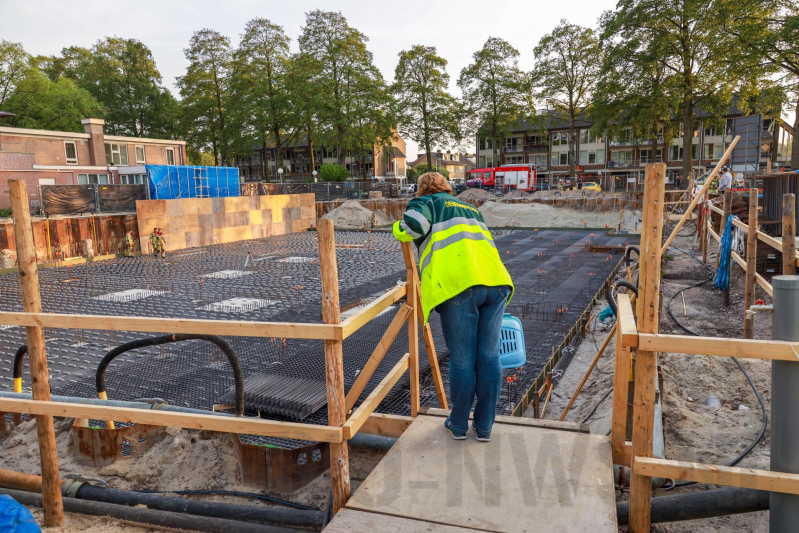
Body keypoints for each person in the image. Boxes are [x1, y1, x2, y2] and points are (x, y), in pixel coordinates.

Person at [393, 172, 514, 442]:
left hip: (460, 286)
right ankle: (484, 428)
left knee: (462, 358)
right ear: (447, 187)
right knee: (489, 357)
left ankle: (458, 425)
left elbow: (412, 226)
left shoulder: (426, 202)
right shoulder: (470, 208)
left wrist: (396, 228)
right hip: (496, 283)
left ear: (422, 188)